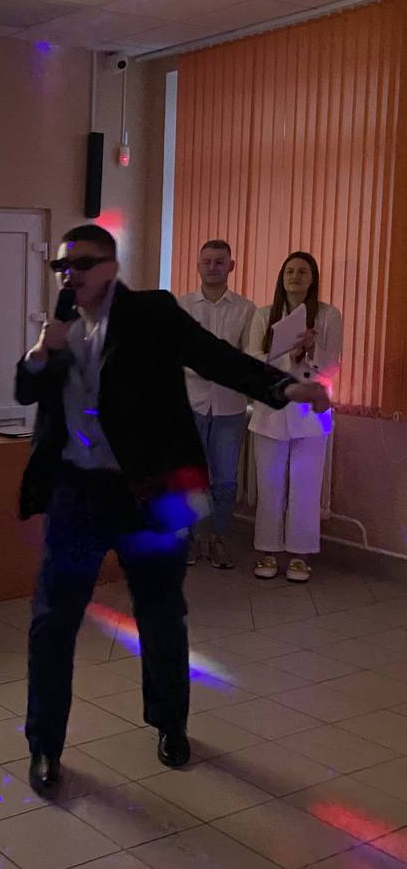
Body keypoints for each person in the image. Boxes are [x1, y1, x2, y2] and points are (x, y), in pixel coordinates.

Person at [17, 224, 329, 791]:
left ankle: (170, 723)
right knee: (52, 623)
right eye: (63, 268)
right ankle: (44, 746)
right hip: (77, 497)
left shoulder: (153, 312)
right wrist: (42, 353)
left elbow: (215, 358)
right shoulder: (59, 326)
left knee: (161, 615)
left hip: (148, 494)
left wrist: (282, 388)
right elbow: (26, 390)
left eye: (82, 264)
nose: (71, 277)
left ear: (111, 266)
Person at [248, 251, 342, 584]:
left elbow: (332, 366)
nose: (295, 276)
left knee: (306, 487)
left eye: (303, 271)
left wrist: (310, 353)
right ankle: (268, 551)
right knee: (270, 486)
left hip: (312, 414)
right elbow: (254, 361)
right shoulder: (264, 315)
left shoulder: (328, 316)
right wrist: (290, 356)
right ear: (282, 277)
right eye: (290, 271)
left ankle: (300, 556)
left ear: (313, 278)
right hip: (270, 412)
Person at [178, 240, 255, 570]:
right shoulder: (181, 306)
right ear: (198, 265)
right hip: (190, 404)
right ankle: (192, 540)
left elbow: (249, 357)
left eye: (219, 262)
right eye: (207, 261)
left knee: (224, 480)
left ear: (231, 266)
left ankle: (218, 539)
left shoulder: (246, 309)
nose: (212, 267)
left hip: (229, 407)